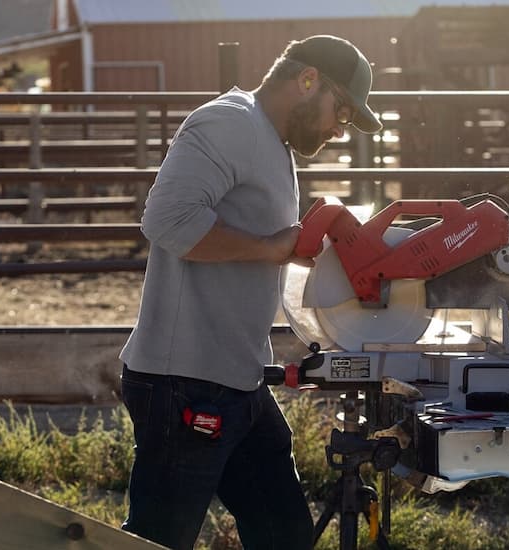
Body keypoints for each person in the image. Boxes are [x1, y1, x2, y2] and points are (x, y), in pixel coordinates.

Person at [118, 35, 383, 550]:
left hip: (235, 378)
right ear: (308, 80)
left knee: (284, 533)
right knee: (158, 539)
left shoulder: (269, 139)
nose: (338, 128)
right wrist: (272, 248)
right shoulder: (230, 123)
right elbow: (168, 222)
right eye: (341, 111)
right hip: (185, 382)